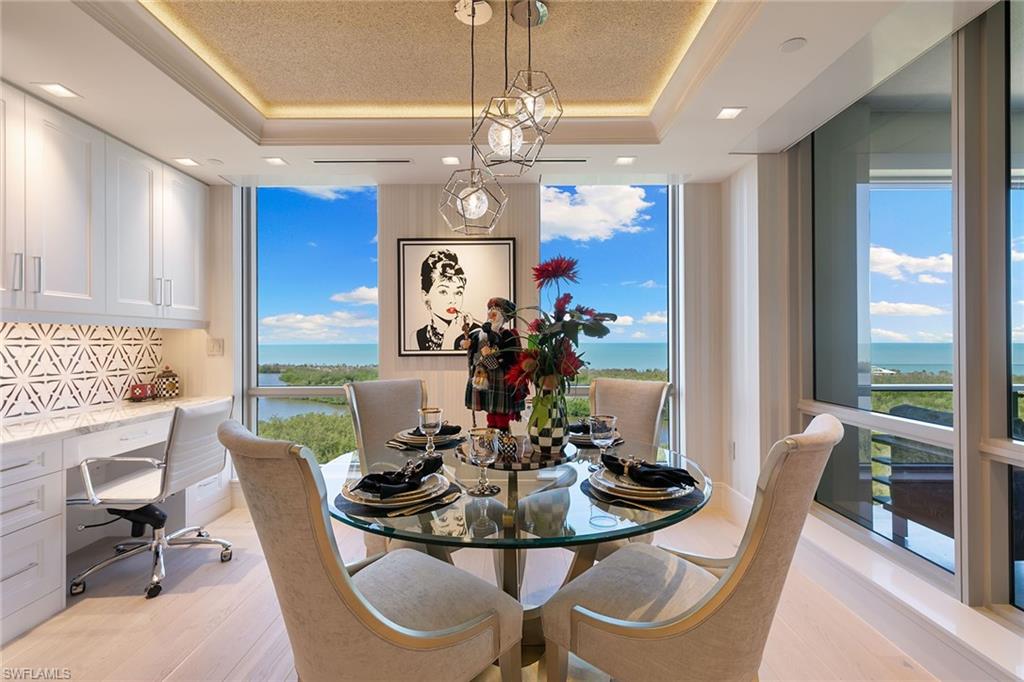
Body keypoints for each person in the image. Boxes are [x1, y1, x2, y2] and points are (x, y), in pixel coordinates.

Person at [464, 297, 526, 430]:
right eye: (489, 313)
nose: (491, 317)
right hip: (482, 377)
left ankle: (503, 439)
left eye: (494, 314)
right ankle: (491, 437)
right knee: (490, 411)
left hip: (500, 379)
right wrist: (468, 344)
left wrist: (492, 354)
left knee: (500, 412)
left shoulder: (508, 335)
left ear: (502, 317)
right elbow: (473, 348)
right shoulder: (480, 334)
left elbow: (510, 358)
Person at [416, 249, 470, 351]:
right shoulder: (416, 337)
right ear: (425, 296)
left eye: (458, 292)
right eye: (443, 292)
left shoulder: (475, 333)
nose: (453, 300)